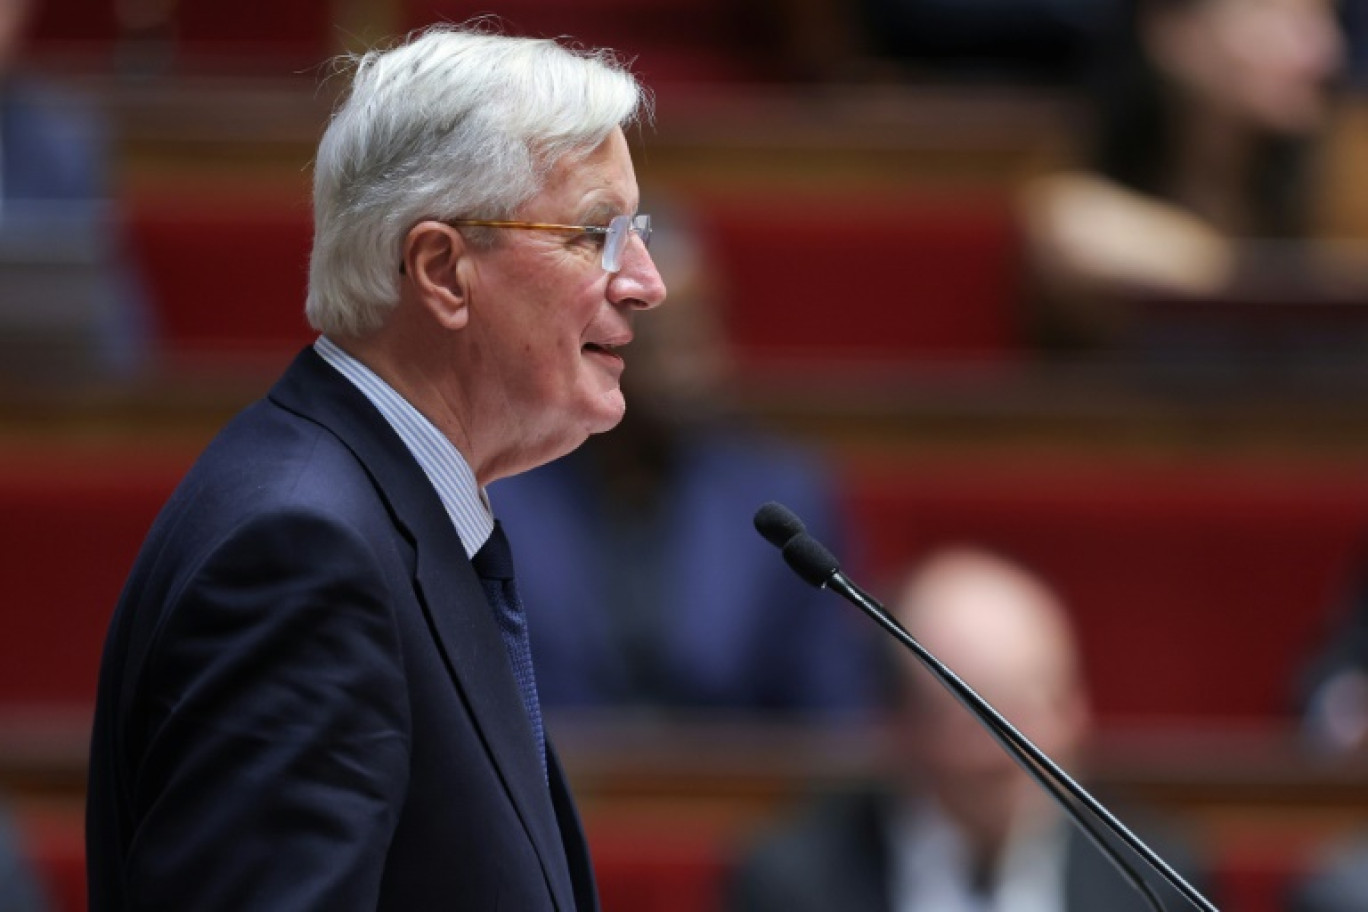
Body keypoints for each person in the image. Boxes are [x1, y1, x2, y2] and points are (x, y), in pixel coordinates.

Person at [85, 24, 666, 911]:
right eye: (596, 234)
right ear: (441, 270)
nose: (647, 281)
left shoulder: (377, 512)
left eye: (639, 231)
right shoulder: (303, 553)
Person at [490, 211, 878, 718]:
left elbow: (834, 716)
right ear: (600, 332)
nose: (699, 364)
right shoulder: (501, 488)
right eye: (669, 336)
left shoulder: (782, 499)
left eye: (707, 329)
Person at [728, 548, 1208, 912]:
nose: (1014, 754)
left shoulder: (1160, 881)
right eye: (976, 723)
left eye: (1037, 706)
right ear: (902, 728)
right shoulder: (792, 884)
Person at [1019, 0, 1347, 349]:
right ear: (1170, 33)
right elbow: (1071, 226)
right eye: (1274, 16)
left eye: (1323, 19)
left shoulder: (1342, 184)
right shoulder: (1074, 199)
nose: (1324, 53)